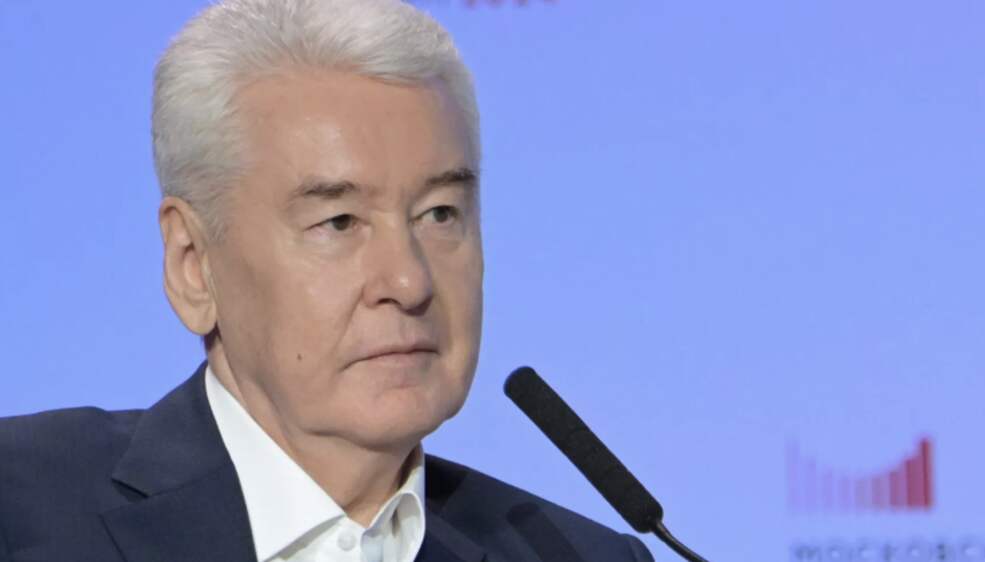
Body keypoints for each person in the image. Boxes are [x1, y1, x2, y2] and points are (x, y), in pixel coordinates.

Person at [0, 1, 653, 560]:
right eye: (339, 222)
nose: (409, 281)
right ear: (193, 265)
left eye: (439, 214)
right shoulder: (22, 511)